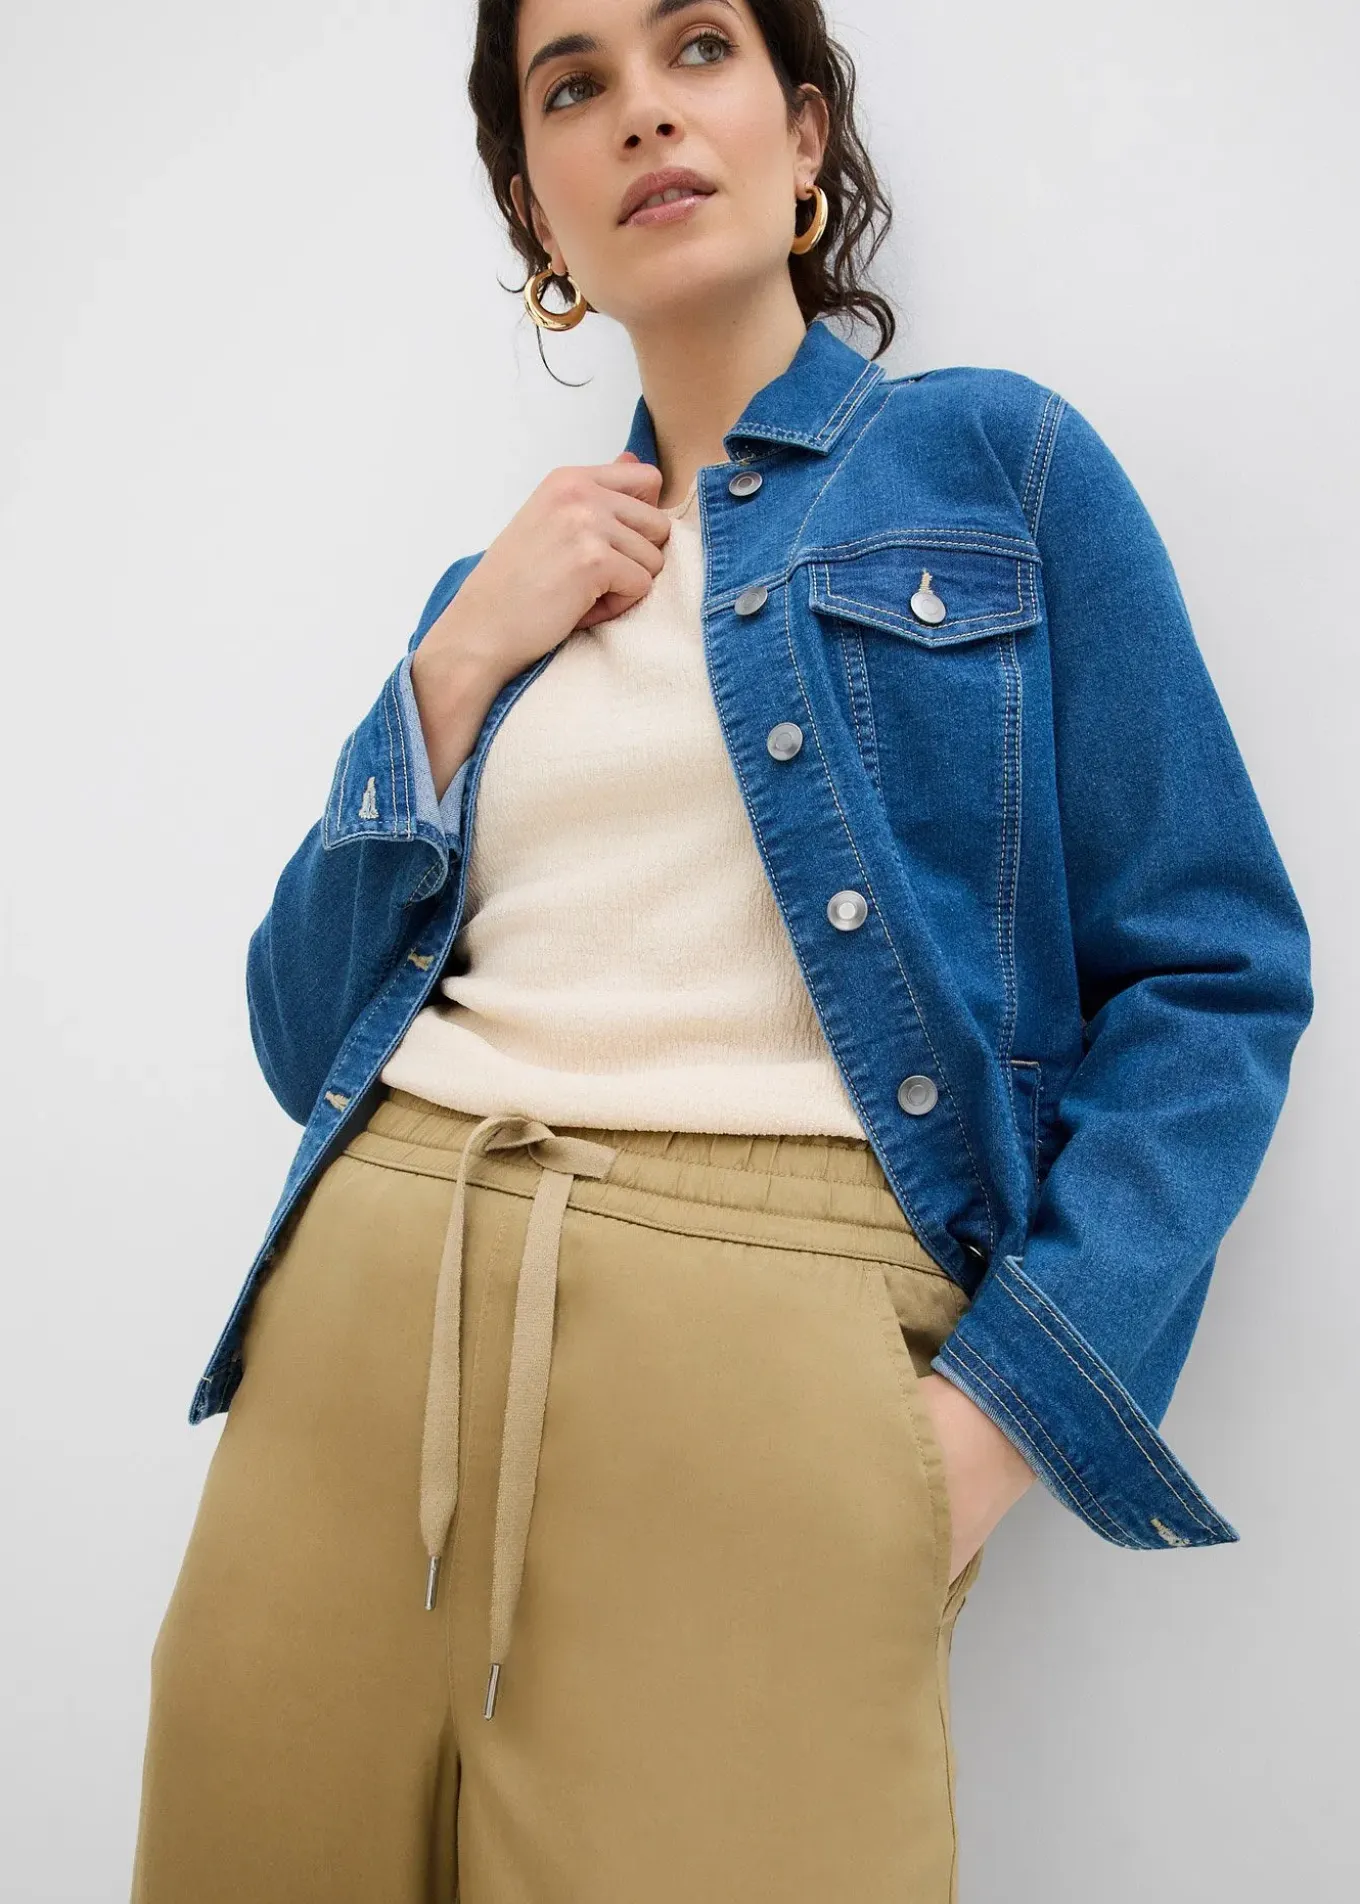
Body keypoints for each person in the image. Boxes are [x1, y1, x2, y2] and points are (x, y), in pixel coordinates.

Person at [129, 1, 1314, 1899]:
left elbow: (1213, 973)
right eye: (574, 86)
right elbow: (300, 1033)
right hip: (351, 1365)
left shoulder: (997, 466)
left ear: (805, 131)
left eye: (697, 50)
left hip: (771, 1396)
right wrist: (453, 664)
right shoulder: (499, 592)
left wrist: (992, 1426)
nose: (642, 115)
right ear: (539, 211)